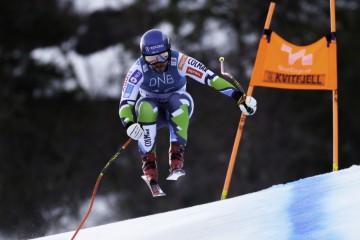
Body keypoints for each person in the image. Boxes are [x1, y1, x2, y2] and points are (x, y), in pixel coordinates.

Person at [119, 29, 257, 183]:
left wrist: (239, 97)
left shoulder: (180, 61)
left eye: (163, 56)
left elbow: (210, 78)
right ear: (143, 56)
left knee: (177, 101)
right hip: (153, 114)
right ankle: (148, 162)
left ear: (169, 50)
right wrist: (129, 124)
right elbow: (125, 102)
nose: (158, 62)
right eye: (151, 58)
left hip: (178, 107)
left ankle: (177, 155)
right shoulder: (138, 69)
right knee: (145, 106)